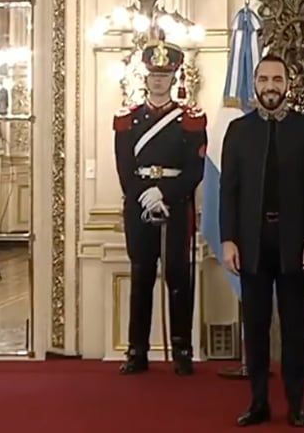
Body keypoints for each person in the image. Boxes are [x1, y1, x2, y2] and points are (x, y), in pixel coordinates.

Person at [220, 55, 304, 428]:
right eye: (264, 78)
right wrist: (228, 240)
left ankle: (297, 403)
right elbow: (228, 191)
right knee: (257, 327)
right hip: (250, 243)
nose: (270, 85)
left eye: (277, 79)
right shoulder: (238, 131)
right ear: (255, 83)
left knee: (295, 328)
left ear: (288, 83)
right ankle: (258, 402)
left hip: (294, 242)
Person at [113, 42, 206, 376]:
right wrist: (144, 194)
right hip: (139, 205)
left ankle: (182, 348)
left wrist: (163, 192)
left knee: (178, 277)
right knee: (141, 277)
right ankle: (136, 351)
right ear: (146, 76)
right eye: (154, 75)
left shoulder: (190, 120)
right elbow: (125, 169)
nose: (158, 81)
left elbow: (196, 171)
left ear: (174, 77)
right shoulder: (127, 119)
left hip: (176, 206)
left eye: (164, 75)